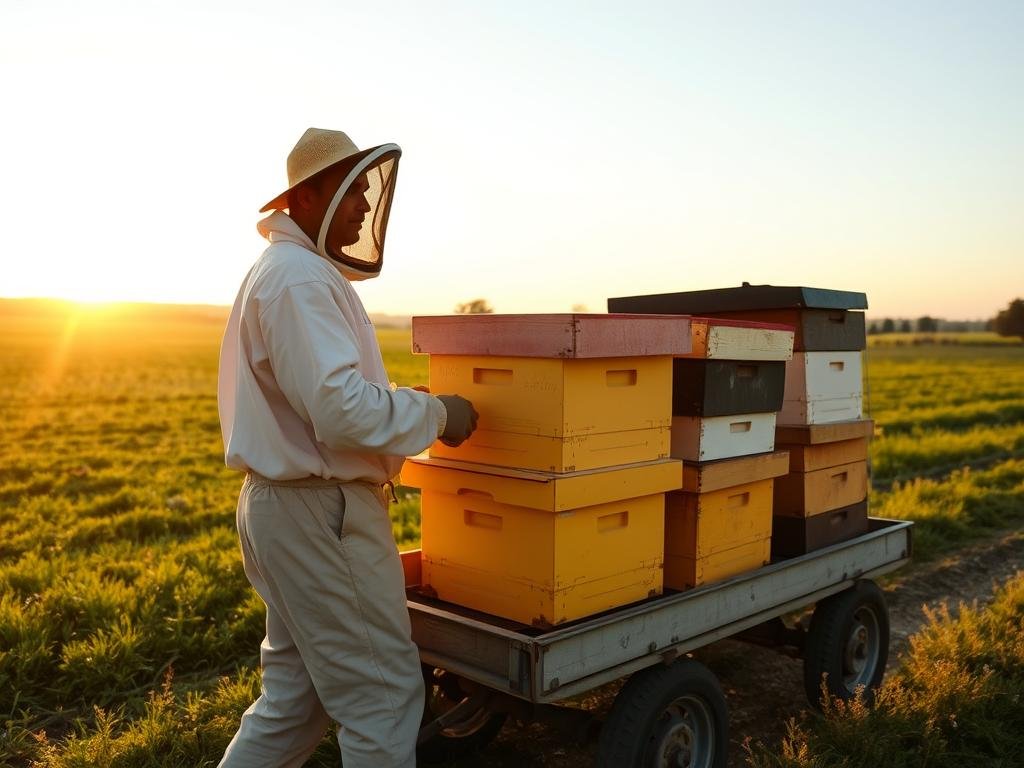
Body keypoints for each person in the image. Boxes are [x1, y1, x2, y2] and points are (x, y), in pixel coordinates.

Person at [216, 127, 478, 768]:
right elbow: (338, 412)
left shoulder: (289, 273)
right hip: (320, 513)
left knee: (294, 703)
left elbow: (325, 393)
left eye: (366, 189)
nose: (363, 205)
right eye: (350, 190)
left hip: (287, 509)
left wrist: (398, 398)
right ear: (305, 198)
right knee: (383, 701)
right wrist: (438, 412)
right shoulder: (299, 280)